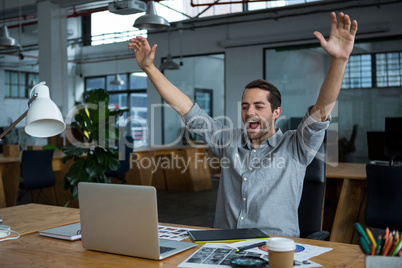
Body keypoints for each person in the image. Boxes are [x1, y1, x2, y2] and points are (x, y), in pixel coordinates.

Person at [128, 12, 358, 237]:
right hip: (224, 243)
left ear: (276, 112)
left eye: (259, 106)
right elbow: (187, 108)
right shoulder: (228, 140)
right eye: (245, 106)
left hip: (275, 247)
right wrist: (150, 69)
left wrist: (339, 60)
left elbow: (321, 112)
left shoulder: (296, 146)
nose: (249, 112)